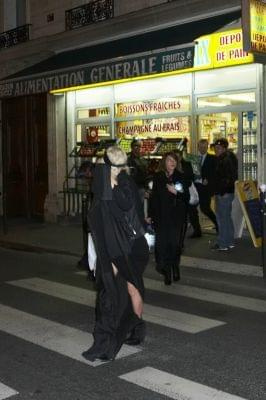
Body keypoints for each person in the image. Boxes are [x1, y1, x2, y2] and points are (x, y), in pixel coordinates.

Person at [82, 145, 149, 362]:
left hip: (132, 246)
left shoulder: (124, 184)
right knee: (119, 288)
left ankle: (136, 329)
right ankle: (131, 329)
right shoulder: (113, 184)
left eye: (102, 165)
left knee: (132, 288)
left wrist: (112, 185)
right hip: (122, 245)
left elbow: (124, 205)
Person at [149, 151, 190, 285]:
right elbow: (153, 198)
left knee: (175, 244)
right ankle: (166, 271)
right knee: (163, 245)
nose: (172, 163)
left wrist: (176, 193)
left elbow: (187, 197)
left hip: (176, 217)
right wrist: (150, 215)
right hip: (161, 216)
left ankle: (174, 265)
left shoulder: (181, 176)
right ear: (164, 163)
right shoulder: (158, 177)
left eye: (174, 160)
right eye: (169, 160)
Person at [211, 138, 238, 251]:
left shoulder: (225, 159)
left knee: (222, 219)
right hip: (226, 192)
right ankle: (229, 241)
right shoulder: (227, 157)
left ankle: (223, 244)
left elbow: (228, 178)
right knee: (226, 218)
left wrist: (221, 191)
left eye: (219, 148)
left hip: (224, 193)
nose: (216, 150)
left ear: (224, 148)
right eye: (215, 148)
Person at [189, 139, 218, 237]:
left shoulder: (213, 158)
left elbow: (215, 173)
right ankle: (197, 231)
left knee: (205, 209)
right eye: (201, 147)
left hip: (205, 188)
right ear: (198, 147)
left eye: (205, 147)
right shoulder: (193, 159)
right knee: (192, 209)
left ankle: (218, 225)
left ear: (207, 147)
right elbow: (190, 172)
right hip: (194, 188)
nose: (203, 149)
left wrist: (208, 180)